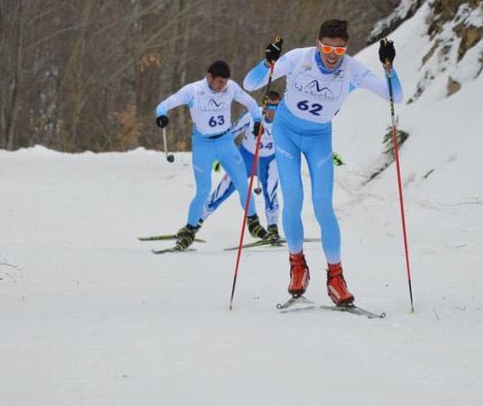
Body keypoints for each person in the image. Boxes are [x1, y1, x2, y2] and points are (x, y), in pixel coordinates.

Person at [243, 20, 402, 306]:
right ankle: (297, 265)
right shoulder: (298, 58)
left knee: (322, 205)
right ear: (318, 44)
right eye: (327, 47)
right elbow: (251, 83)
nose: (332, 54)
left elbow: (395, 96)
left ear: (346, 48)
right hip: (286, 132)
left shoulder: (351, 68)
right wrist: (267, 62)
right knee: (293, 198)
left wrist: (389, 68)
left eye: (339, 49)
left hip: (319, 137)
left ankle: (336, 277)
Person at [155, 60, 269, 250]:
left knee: (242, 182)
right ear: (209, 77)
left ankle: (254, 223)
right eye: (219, 82)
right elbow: (163, 105)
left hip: (225, 142)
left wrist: (257, 120)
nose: (222, 86)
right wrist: (161, 116)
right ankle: (190, 231)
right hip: (203, 145)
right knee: (203, 191)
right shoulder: (193, 90)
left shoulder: (231, 87)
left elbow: (251, 103)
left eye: (225, 82)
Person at [200, 90, 281, 240]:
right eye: (269, 108)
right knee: (223, 190)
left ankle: (273, 229)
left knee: (271, 192)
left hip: (269, 161)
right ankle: (194, 223)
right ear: (263, 106)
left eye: (276, 108)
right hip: (246, 158)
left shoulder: (284, 119)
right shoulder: (252, 116)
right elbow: (230, 134)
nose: (272, 112)